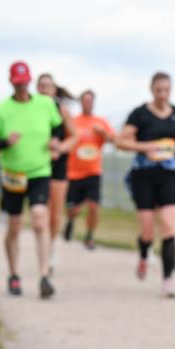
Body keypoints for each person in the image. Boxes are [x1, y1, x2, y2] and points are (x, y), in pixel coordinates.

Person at [0, 61, 69, 298]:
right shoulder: (2, 110)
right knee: (14, 227)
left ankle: (44, 275)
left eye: (25, 82)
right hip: (13, 175)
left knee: (40, 218)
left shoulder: (45, 104)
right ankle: (13, 274)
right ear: (11, 82)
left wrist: (55, 141)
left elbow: (59, 128)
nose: (22, 86)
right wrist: (5, 142)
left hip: (40, 170)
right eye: (18, 82)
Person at [116, 72, 175, 298]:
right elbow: (121, 142)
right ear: (152, 90)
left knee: (170, 227)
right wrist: (147, 147)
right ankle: (144, 254)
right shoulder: (140, 114)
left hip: (171, 175)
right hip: (144, 176)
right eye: (158, 90)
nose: (162, 94)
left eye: (166, 90)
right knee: (148, 230)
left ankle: (167, 280)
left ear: (171, 90)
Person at [64, 89, 116, 250]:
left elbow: (114, 139)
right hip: (73, 171)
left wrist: (103, 133)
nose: (87, 103)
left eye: (90, 100)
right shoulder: (73, 121)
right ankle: (71, 221)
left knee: (93, 206)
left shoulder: (100, 122)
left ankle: (89, 236)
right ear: (81, 102)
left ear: (94, 102)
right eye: (84, 100)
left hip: (93, 170)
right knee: (73, 208)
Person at [36, 74, 77, 273]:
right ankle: (42, 249)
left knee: (54, 213)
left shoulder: (61, 110)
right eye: (41, 86)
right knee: (39, 211)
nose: (44, 89)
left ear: (54, 90)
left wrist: (60, 148)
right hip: (35, 165)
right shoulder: (31, 109)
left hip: (57, 166)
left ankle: (51, 247)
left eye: (48, 86)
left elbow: (74, 137)